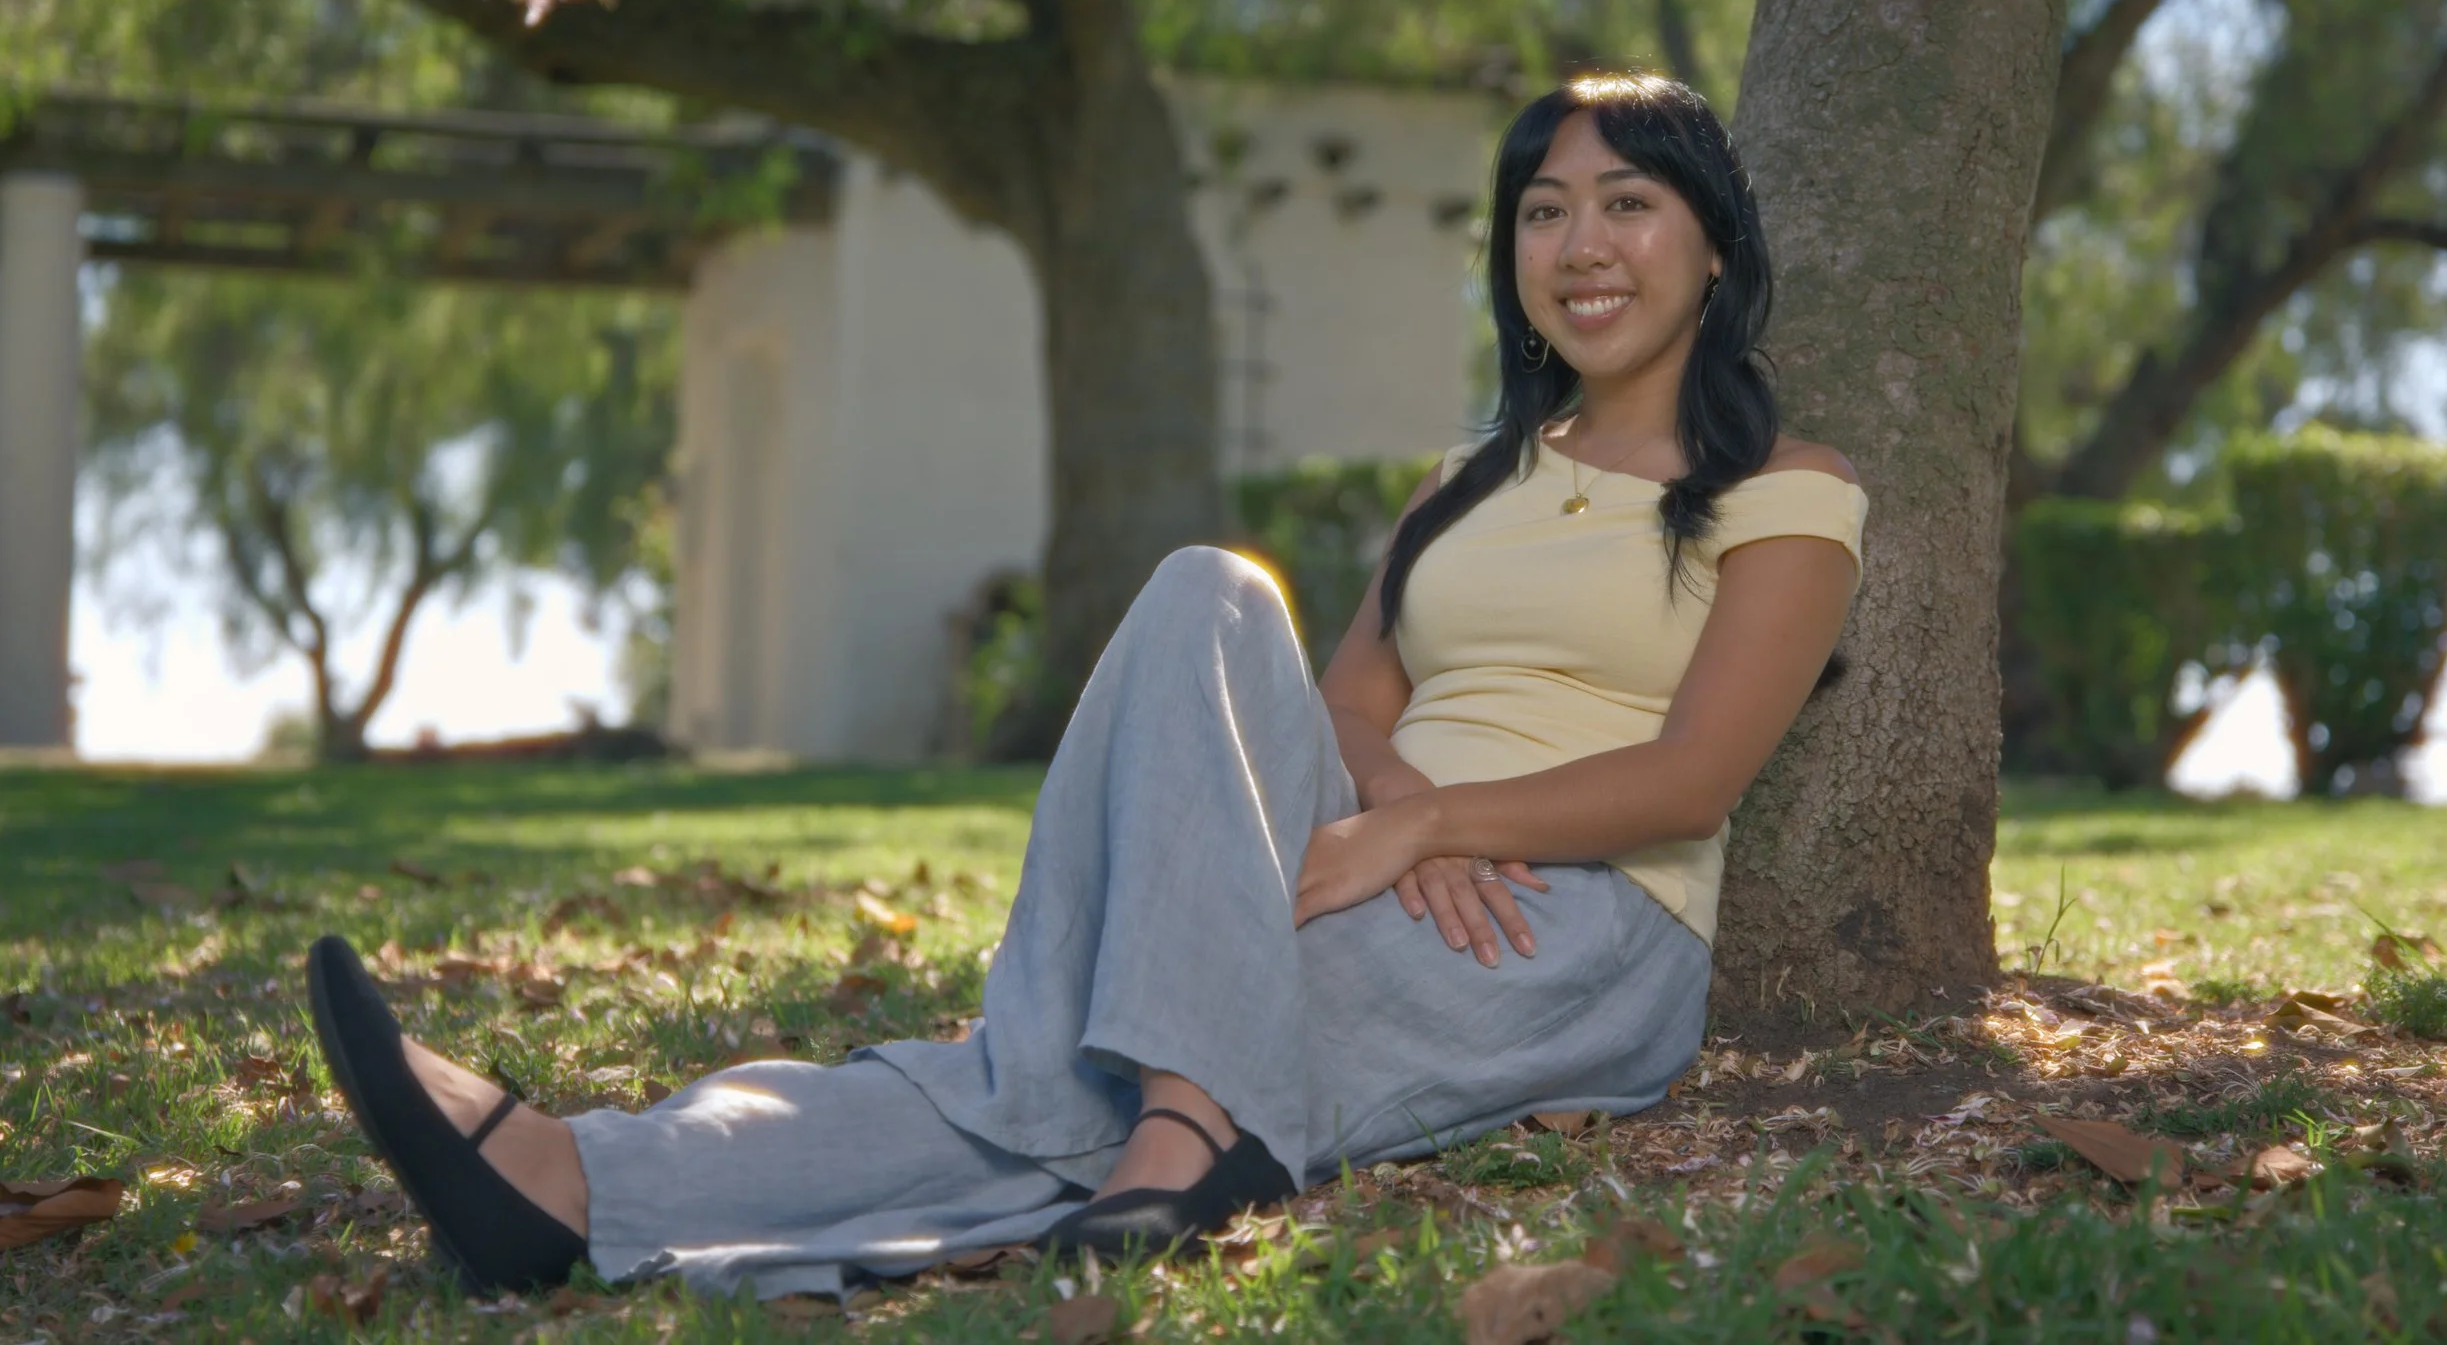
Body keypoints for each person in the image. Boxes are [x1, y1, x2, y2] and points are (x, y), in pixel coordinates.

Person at [302, 70, 1868, 1301]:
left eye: (1627, 201)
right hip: (1383, 853)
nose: (1581, 245)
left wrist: (1437, 832)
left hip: (1577, 926)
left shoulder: (1789, 492)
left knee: (1065, 1065)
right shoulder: (1467, 478)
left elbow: (1695, 776)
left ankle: (591, 1178)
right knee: (1207, 589)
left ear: (1713, 241)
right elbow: (1340, 702)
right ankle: (598, 1171)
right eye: (1542, 210)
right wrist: (1405, 816)